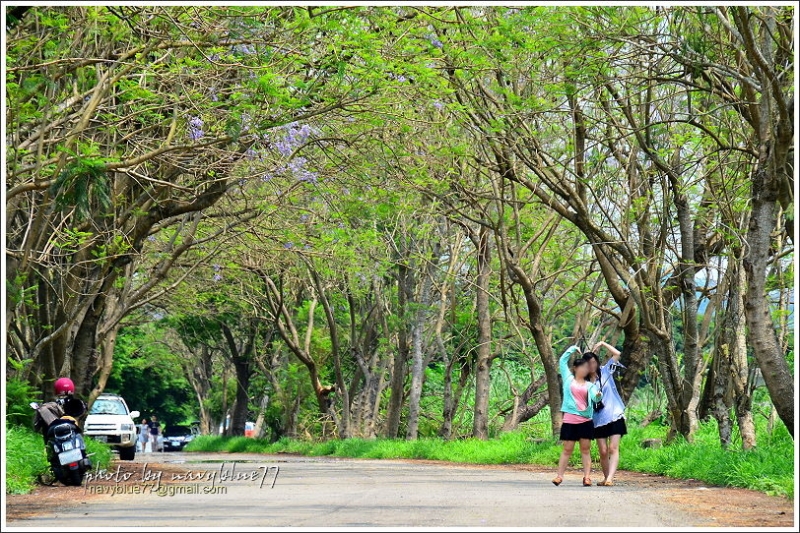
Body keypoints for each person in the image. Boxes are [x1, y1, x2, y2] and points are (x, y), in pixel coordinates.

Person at [552, 344, 602, 487]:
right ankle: (559, 476)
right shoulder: (568, 379)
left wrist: (598, 396)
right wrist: (572, 348)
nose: (584, 370)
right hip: (569, 420)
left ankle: (587, 477)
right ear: (575, 368)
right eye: (582, 367)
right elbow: (562, 361)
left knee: (585, 449)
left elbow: (595, 398)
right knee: (567, 449)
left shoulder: (590, 386)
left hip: (585, 421)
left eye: (586, 368)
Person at [584, 340, 628, 487]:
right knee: (603, 451)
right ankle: (606, 478)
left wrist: (602, 343)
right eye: (588, 363)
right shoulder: (585, 383)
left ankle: (610, 478)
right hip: (598, 419)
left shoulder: (606, 370)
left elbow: (617, 354)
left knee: (612, 448)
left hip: (615, 415)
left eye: (593, 362)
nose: (591, 365)